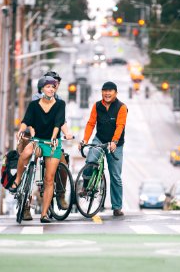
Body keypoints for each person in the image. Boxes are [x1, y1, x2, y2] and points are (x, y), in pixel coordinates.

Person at [10, 76, 66, 223]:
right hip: (38, 140)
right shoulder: (34, 105)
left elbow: (58, 123)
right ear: (42, 89)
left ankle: (44, 214)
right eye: (48, 86)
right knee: (25, 154)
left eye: (53, 87)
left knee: (49, 179)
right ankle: (17, 180)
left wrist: (54, 137)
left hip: (52, 143)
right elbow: (26, 120)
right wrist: (21, 130)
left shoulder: (60, 104)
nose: (51, 89)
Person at [78, 81, 128, 217]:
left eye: (110, 91)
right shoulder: (97, 106)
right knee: (90, 160)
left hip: (115, 144)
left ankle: (117, 207)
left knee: (115, 176)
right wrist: (85, 140)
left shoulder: (121, 107)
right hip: (99, 139)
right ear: (101, 92)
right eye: (105, 91)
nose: (107, 93)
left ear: (115, 93)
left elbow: (120, 126)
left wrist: (114, 141)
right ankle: (86, 186)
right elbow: (90, 123)